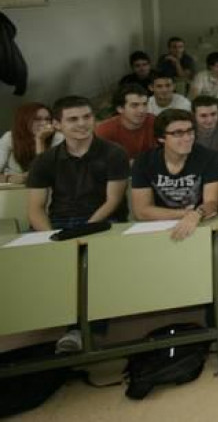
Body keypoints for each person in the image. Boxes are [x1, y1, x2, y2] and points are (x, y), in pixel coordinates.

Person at [26, 95, 129, 353]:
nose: (82, 124)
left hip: (102, 220)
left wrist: (80, 233)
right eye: (73, 119)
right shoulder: (45, 160)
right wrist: (52, 237)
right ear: (57, 125)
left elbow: (112, 201)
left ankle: (82, 330)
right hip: (58, 224)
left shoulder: (114, 153)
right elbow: (35, 208)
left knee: (93, 262)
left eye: (87, 117)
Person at [130, 109, 218, 242]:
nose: (187, 138)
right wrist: (186, 214)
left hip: (202, 223)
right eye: (178, 133)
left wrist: (198, 214)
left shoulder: (208, 157)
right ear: (161, 138)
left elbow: (212, 203)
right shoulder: (144, 162)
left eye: (190, 131)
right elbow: (141, 211)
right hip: (161, 225)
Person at [1, 102, 63, 184]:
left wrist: (40, 140)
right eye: (37, 119)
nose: (44, 123)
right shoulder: (10, 137)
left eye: (48, 119)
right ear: (24, 120)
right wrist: (8, 178)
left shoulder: (58, 138)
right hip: (13, 188)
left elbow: (44, 174)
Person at [94, 83, 156, 159]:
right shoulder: (104, 131)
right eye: (134, 105)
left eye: (144, 104)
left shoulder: (154, 121)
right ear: (120, 109)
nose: (142, 110)